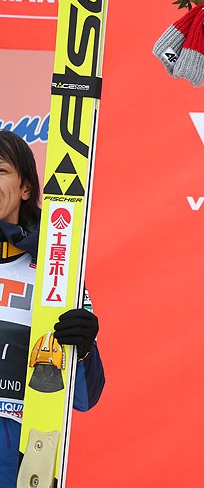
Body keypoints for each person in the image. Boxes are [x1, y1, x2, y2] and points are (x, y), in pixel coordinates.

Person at [0, 130, 105, 487]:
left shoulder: (55, 272)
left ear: (26, 188)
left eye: (0, 170)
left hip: (16, 457)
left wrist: (83, 349)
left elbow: (86, 397)